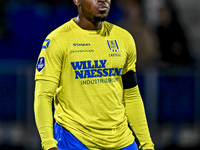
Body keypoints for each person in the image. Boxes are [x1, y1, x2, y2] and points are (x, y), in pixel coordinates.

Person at [34, 0, 155, 150]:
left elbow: (131, 94)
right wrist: (48, 144)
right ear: (77, 1)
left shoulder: (124, 39)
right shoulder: (57, 40)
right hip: (75, 141)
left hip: (122, 142)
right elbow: (43, 96)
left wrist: (147, 144)